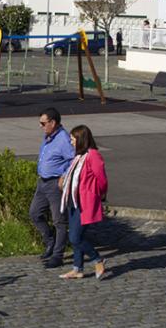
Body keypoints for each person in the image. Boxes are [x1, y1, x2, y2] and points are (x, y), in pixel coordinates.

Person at [58, 125, 109, 280]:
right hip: (73, 201)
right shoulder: (79, 155)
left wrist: (96, 194)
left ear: (81, 139)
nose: (71, 142)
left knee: (75, 237)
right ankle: (77, 268)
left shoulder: (93, 155)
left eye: (73, 139)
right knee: (76, 235)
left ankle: (97, 259)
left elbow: (102, 180)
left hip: (85, 202)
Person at [30, 107, 75, 268]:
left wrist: (64, 175)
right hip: (42, 182)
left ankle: (57, 255)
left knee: (59, 221)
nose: (40, 126)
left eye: (43, 123)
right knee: (35, 213)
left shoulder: (63, 139)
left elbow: (73, 160)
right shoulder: (49, 136)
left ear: (53, 122)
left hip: (55, 184)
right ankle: (50, 241)